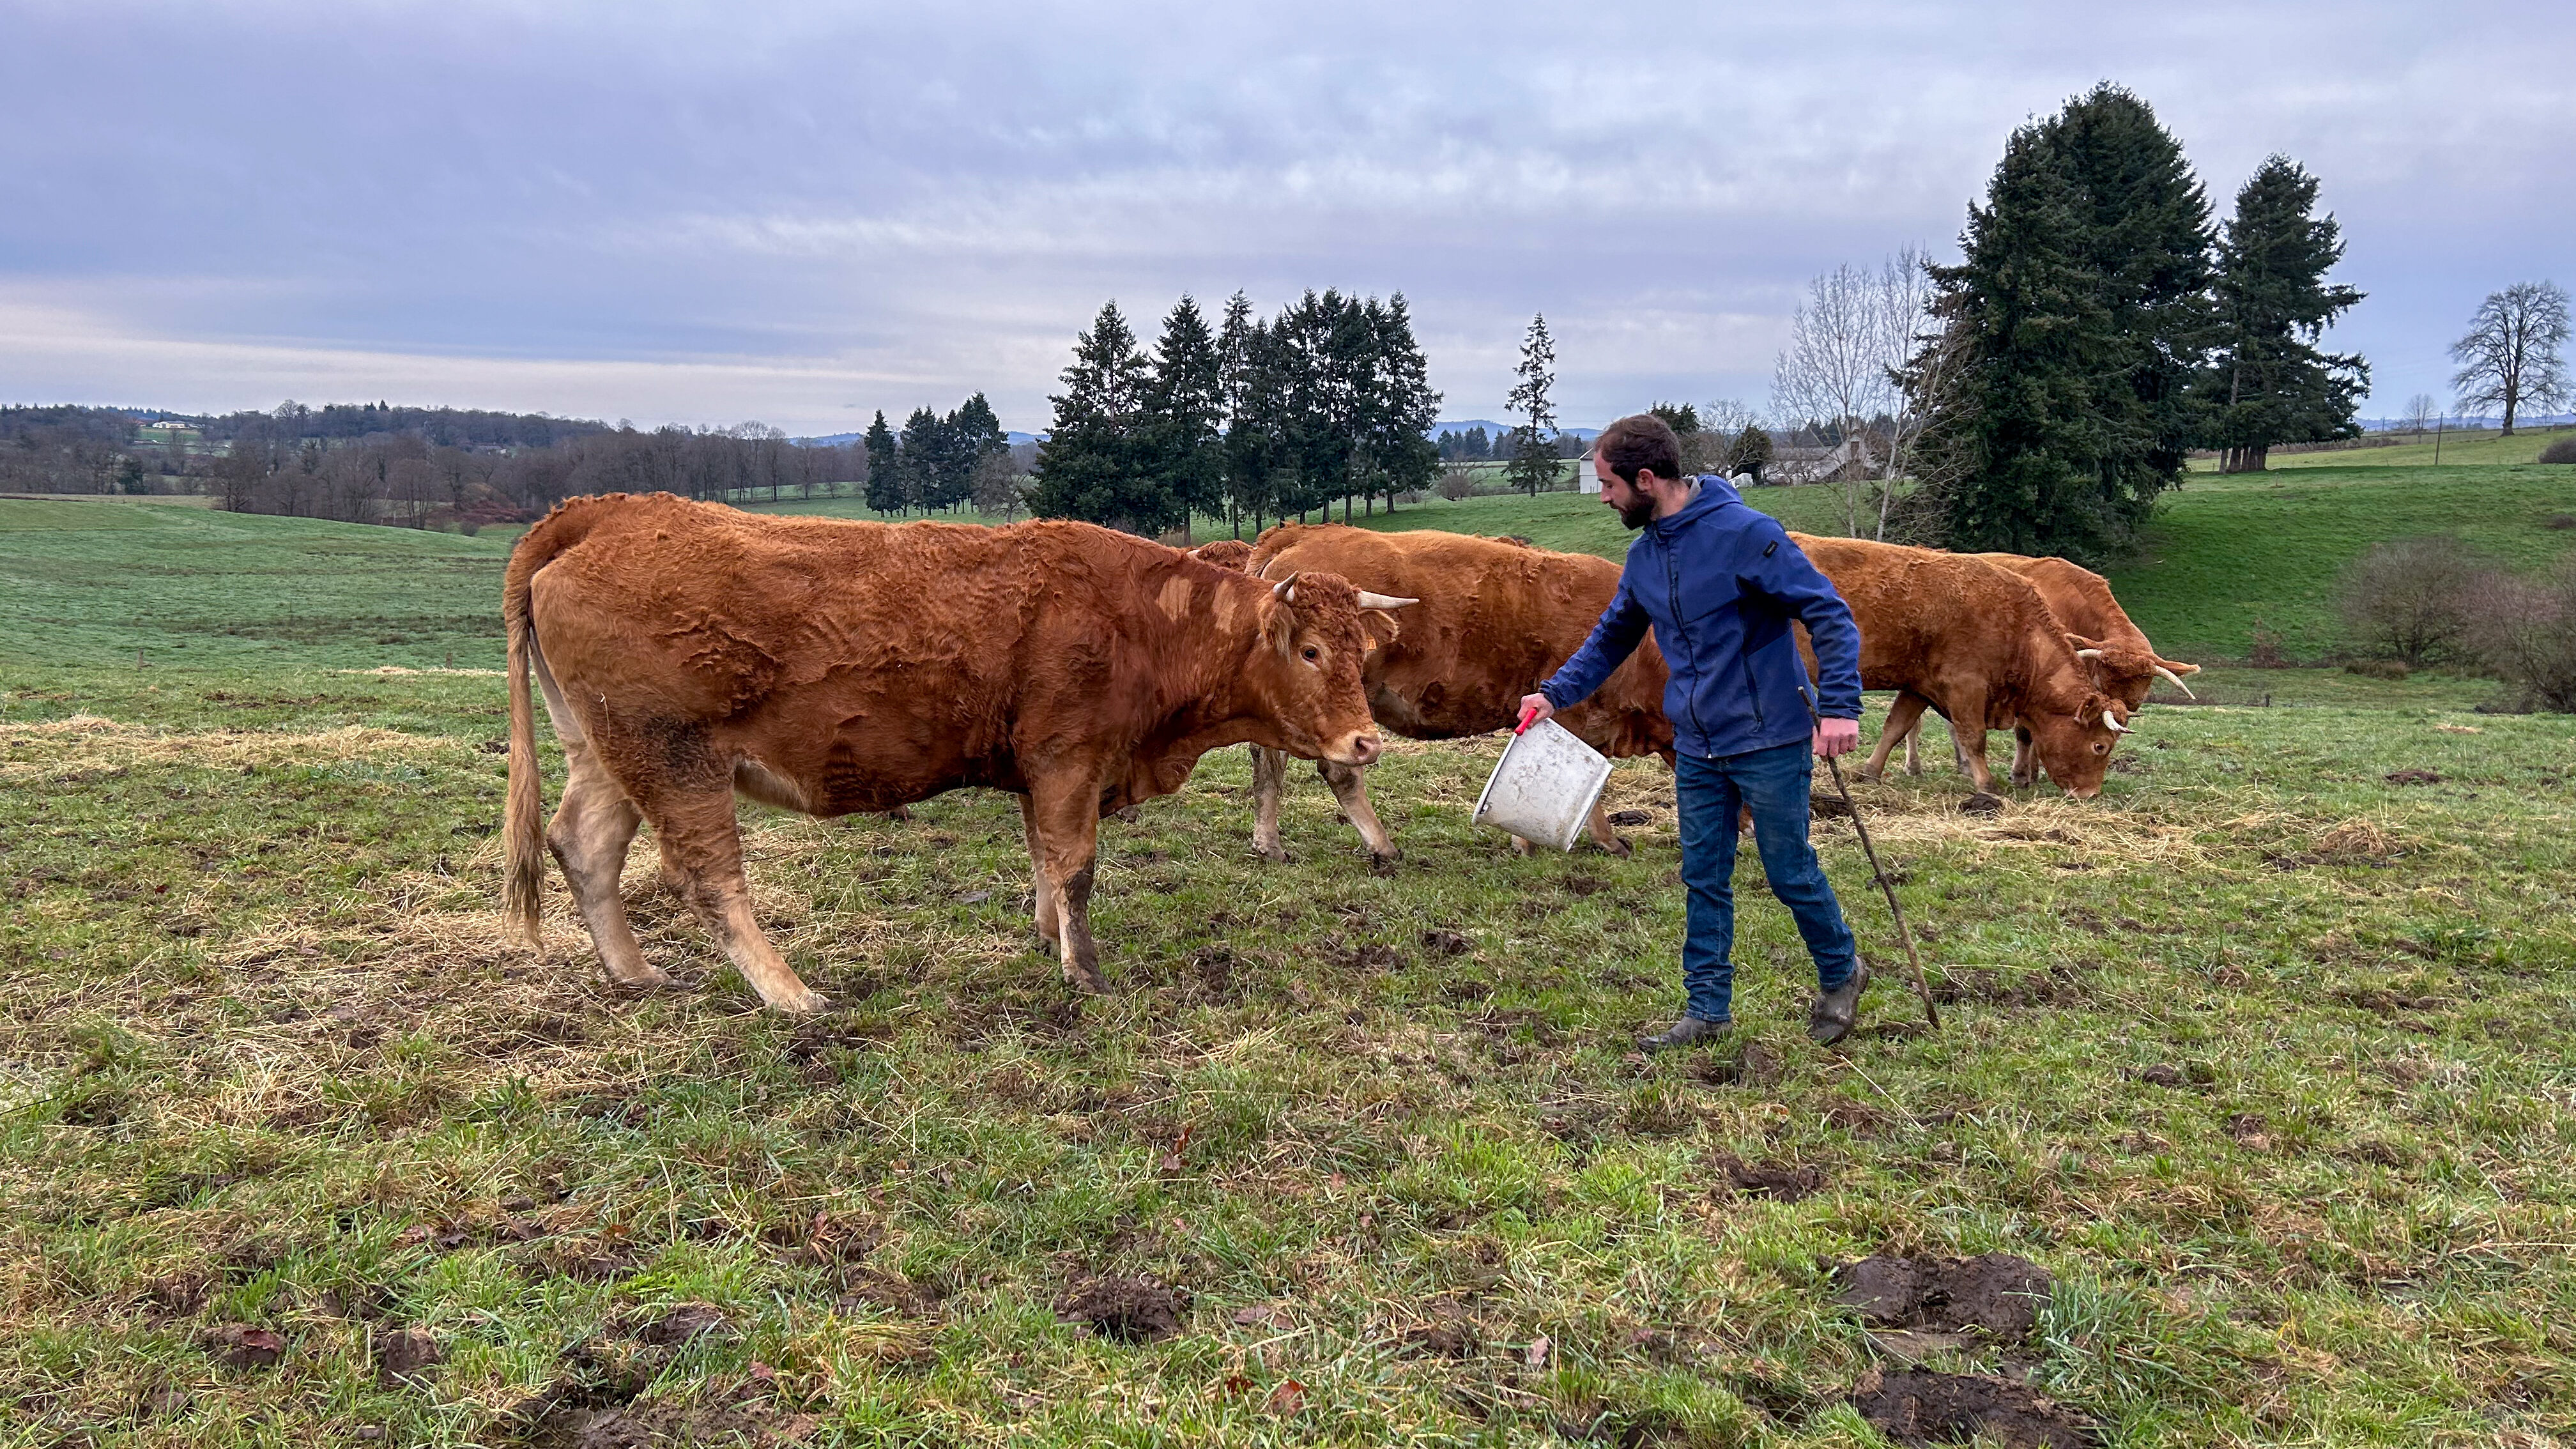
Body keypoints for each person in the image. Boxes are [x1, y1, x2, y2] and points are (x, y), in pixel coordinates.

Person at [1517, 415, 1870, 1047]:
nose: (1603, 497)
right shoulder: (1645, 555)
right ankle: (1707, 1010)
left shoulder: (1747, 535)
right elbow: (1613, 636)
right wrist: (1554, 694)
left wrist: (1841, 706)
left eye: (1608, 485)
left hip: (1770, 736)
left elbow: (1829, 613)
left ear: (1645, 479)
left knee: (1788, 871)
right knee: (1703, 875)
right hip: (1697, 743)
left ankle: (1842, 970)